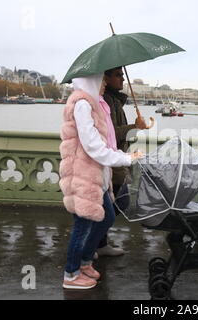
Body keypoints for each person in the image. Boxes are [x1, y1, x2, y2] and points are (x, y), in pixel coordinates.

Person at [59, 73, 143, 290]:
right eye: (102, 79)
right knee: (82, 225)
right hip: (83, 176)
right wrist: (125, 158)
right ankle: (71, 274)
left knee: (106, 218)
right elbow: (93, 145)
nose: (105, 82)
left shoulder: (94, 104)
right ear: (92, 80)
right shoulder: (82, 105)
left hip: (96, 175)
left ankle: (85, 261)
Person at [95, 67, 148, 258]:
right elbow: (111, 135)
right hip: (111, 161)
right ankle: (94, 242)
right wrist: (135, 127)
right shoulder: (107, 101)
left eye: (122, 74)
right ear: (105, 78)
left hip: (116, 159)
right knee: (117, 203)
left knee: (112, 204)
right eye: (118, 74)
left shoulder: (114, 100)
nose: (122, 78)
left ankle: (99, 242)